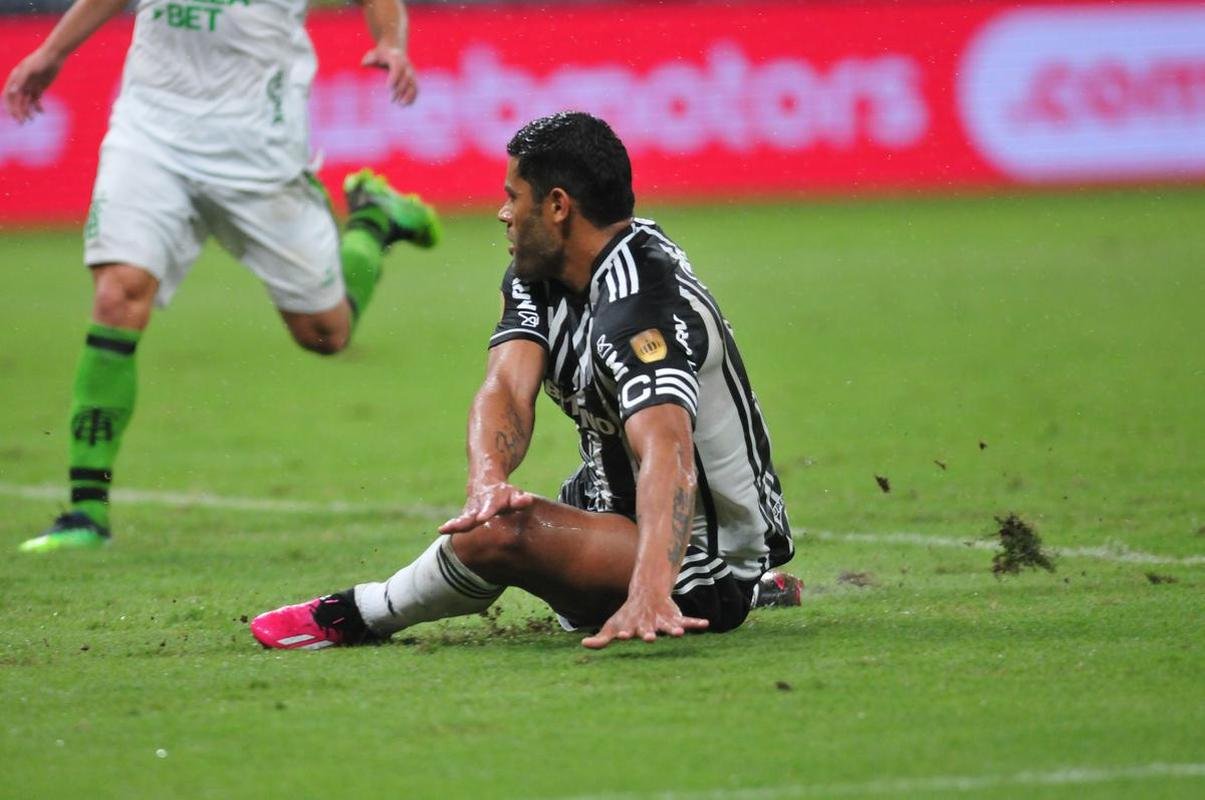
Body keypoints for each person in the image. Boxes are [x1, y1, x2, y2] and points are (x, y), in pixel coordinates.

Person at [250, 111, 795, 651]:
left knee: (498, 536)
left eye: (514, 196)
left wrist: (650, 591)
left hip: (699, 556)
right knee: (498, 513)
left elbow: (668, 448)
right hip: (608, 509)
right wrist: (486, 480)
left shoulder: (640, 307)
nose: (502, 213)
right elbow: (508, 389)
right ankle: (701, 583)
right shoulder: (542, 274)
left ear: (557, 206)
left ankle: (359, 613)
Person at [5, 0, 440, 552]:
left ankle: (373, 222)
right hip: (151, 137)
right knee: (118, 295)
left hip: (258, 149)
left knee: (325, 334)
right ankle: (86, 512)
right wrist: (51, 52)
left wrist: (390, 43)